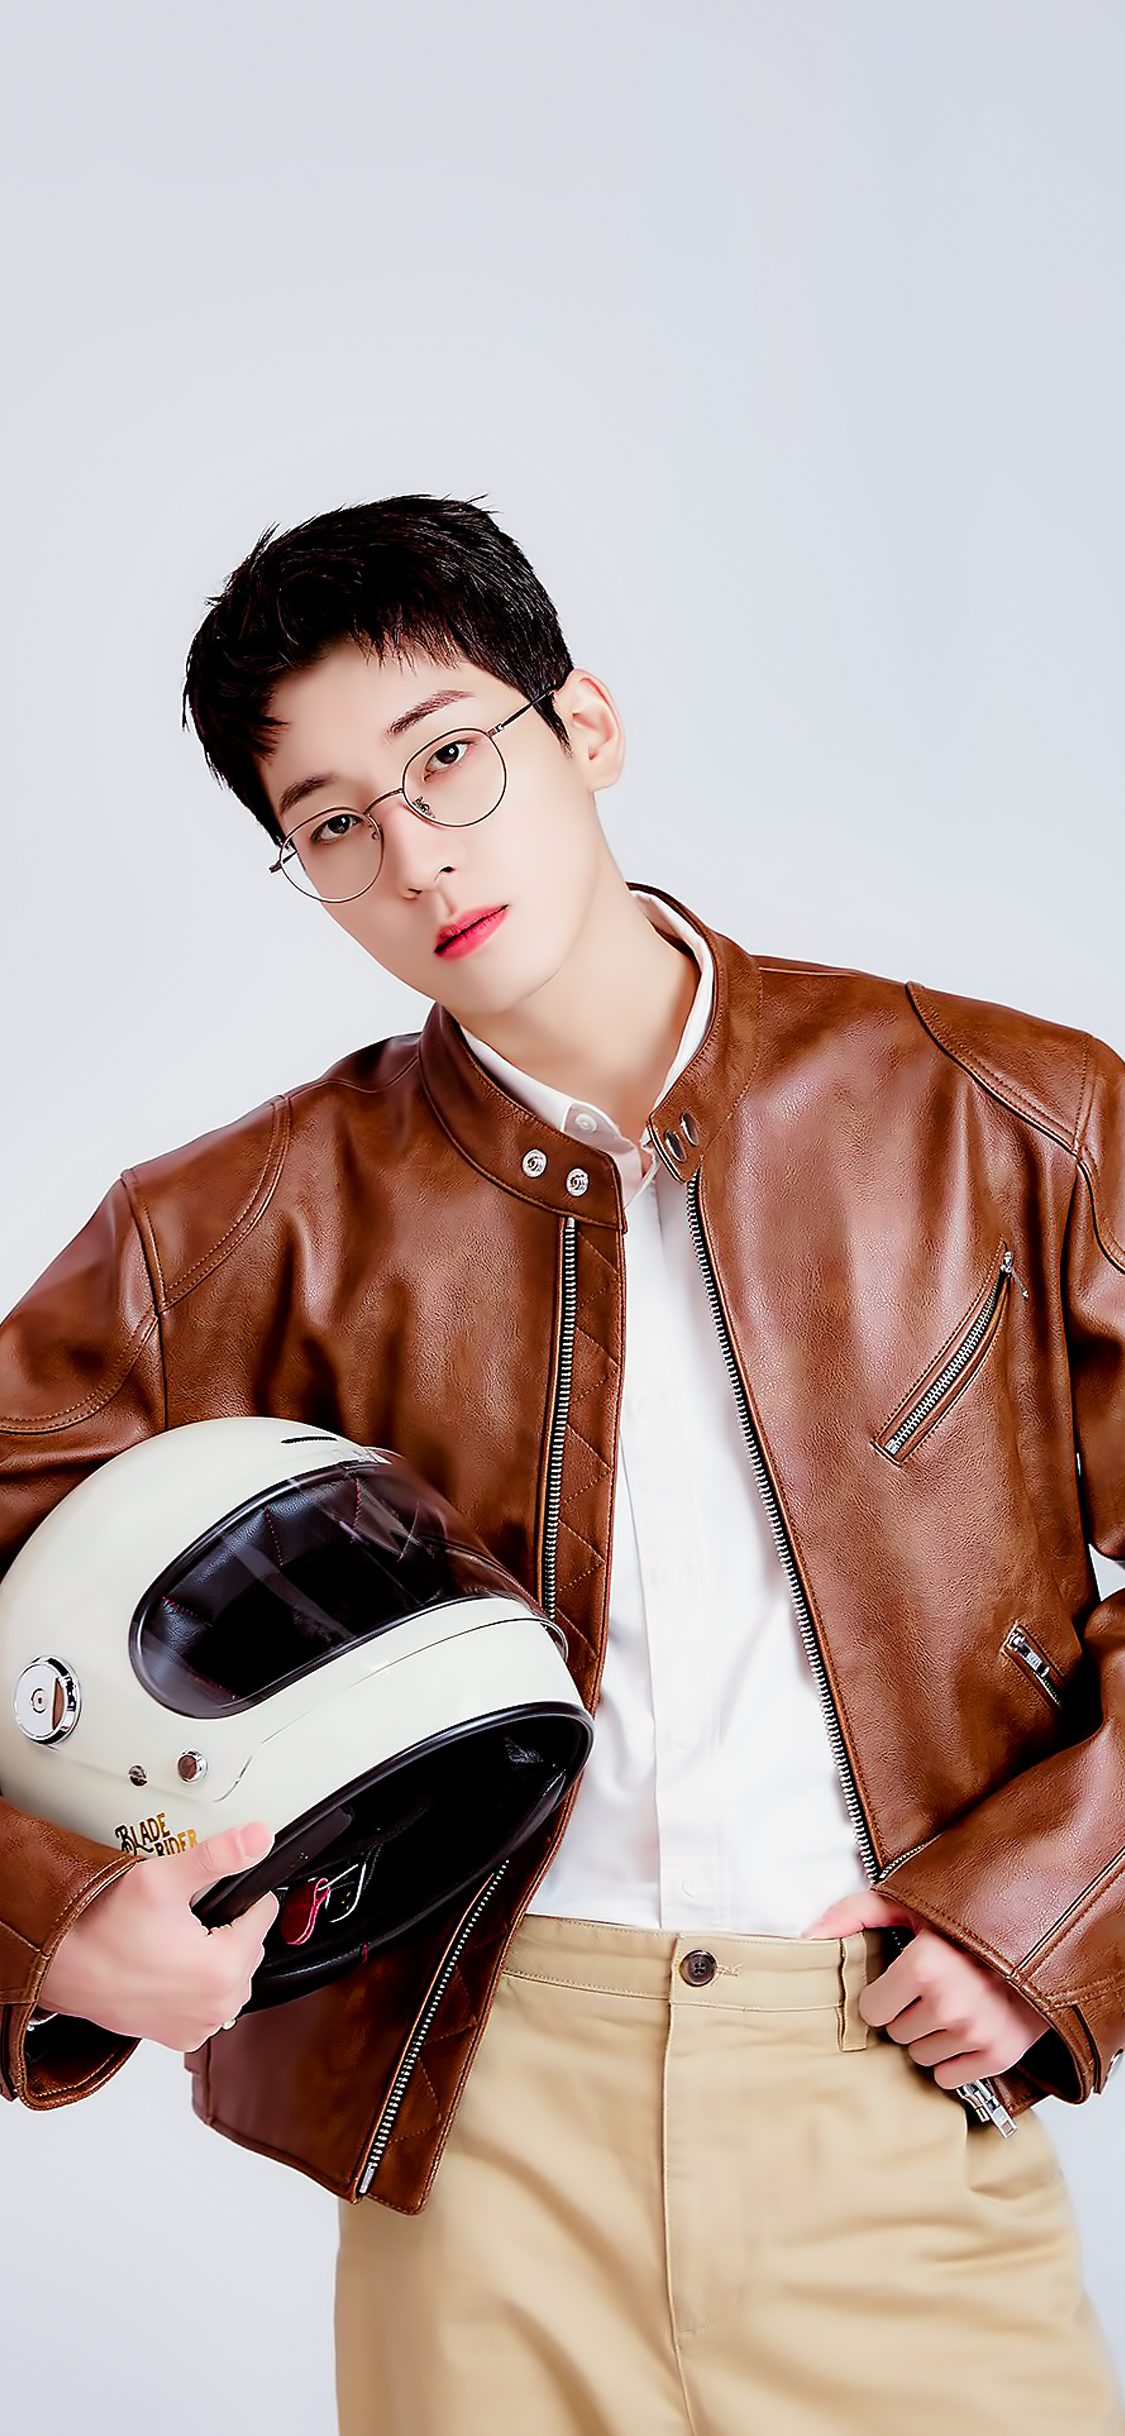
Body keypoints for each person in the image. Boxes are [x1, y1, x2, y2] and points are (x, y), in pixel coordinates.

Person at [1, 494, 1123, 2435]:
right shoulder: (241, 1225)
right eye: (334, 825)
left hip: (888, 2109)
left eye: (451, 757)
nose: (417, 853)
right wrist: (57, 1920)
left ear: (582, 725)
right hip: (481, 2138)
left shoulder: (1005, 1117)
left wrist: (1051, 1913)